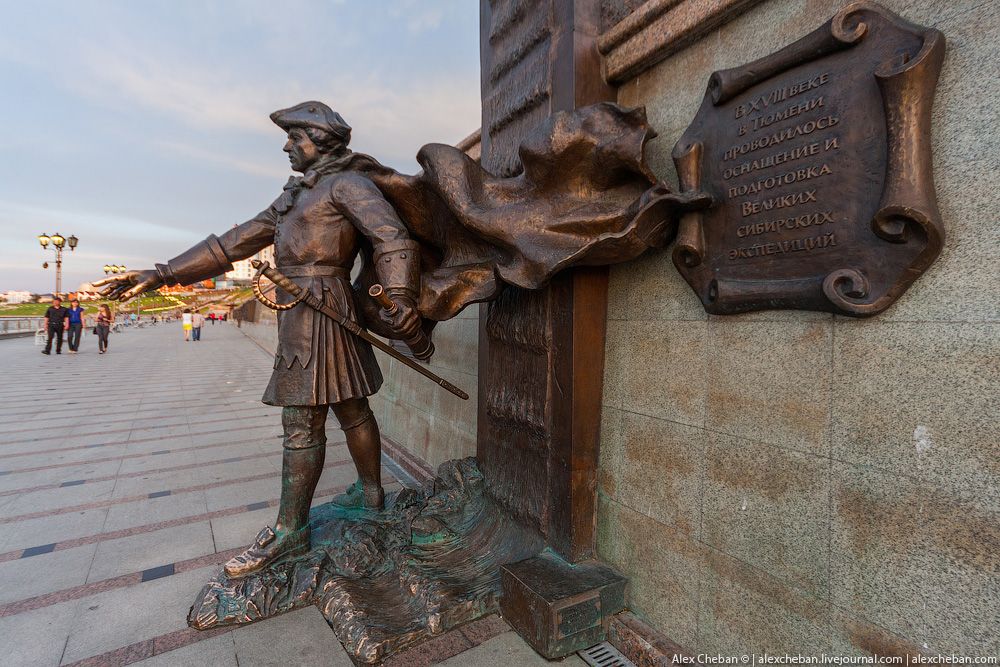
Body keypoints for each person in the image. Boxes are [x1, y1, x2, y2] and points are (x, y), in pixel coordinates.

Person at [96, 101, 420, 577]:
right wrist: (163, 273)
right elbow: (234, 242)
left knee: (309, 420)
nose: (287, 146)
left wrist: (400, 298)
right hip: (304, 306)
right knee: (351, 407)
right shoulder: (295, 195)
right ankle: (368, 495)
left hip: (322, 305)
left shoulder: (347, 185)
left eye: (295, 138)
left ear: (321, 141)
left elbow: (392, 238)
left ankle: (296, 529)